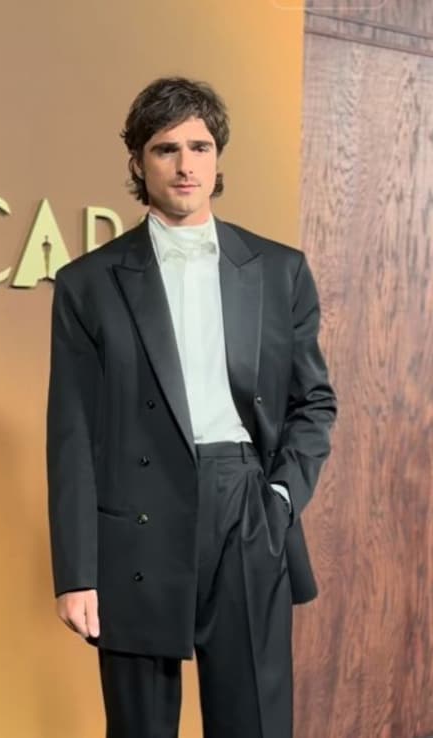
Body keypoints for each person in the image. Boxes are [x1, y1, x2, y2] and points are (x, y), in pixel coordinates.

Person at [46, 77, 337, 738]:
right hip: (134, 522)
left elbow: (313, 401)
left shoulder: (277, 270)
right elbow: (71, 434)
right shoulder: (87, 283)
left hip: (247, 509)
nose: (185, 164)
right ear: (136, 163)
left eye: (200, 146)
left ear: (218, 157)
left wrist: (283, 496)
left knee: (255, 724)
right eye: (166, 148)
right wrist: (76, 571)